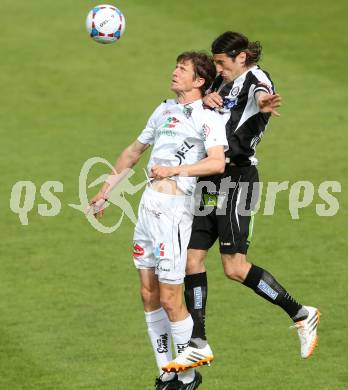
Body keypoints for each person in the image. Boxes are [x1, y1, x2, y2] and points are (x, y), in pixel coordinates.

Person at [162, 32, 320, 373]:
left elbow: (262, 94)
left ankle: (301, 313)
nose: (219, 68)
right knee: (192, 259)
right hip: (209, 175)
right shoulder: (222, 78)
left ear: (243, 57)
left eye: (223, 62)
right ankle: (198, 343)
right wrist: (206, 100)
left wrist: (263, 103)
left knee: (234, 267)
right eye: (215, 63)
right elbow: (204, 104)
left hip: (238, 179)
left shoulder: (256, 79)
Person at [89, 51, 228, 389]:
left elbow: (217, 163)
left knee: (169, 298)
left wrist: (174, 169)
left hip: (173, 210)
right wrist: (107, 188)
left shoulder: (208, 117)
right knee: (148, 294)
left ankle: (190, 374)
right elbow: (134, 151)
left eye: (183, 69)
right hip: (148, 207)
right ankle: (168, 374)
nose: (175, 72)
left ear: (199, 81)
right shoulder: (164, 109)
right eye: (176, 66)